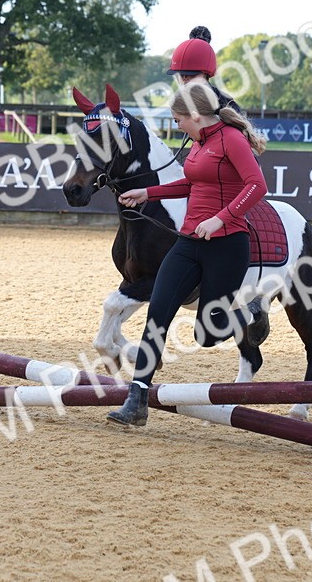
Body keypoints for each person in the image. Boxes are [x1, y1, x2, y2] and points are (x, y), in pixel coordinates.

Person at [107, 83, 268, 427]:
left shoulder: (231, 140)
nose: (176, 125)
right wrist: (146, 192)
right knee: (158, 314)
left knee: (206, 335)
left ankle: (250, 314)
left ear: (195, 115)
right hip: (189, 242)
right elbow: (191, 183)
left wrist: (221, 218)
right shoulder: (199, 143)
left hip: (227, 246)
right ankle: (137, 400)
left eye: (178, 118)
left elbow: (257, 185)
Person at [167, 26, 243, 114]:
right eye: (180, 74)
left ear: (205, 74)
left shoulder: (227, 105)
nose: (184, 79)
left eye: (191, 74)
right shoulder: (179, 103)